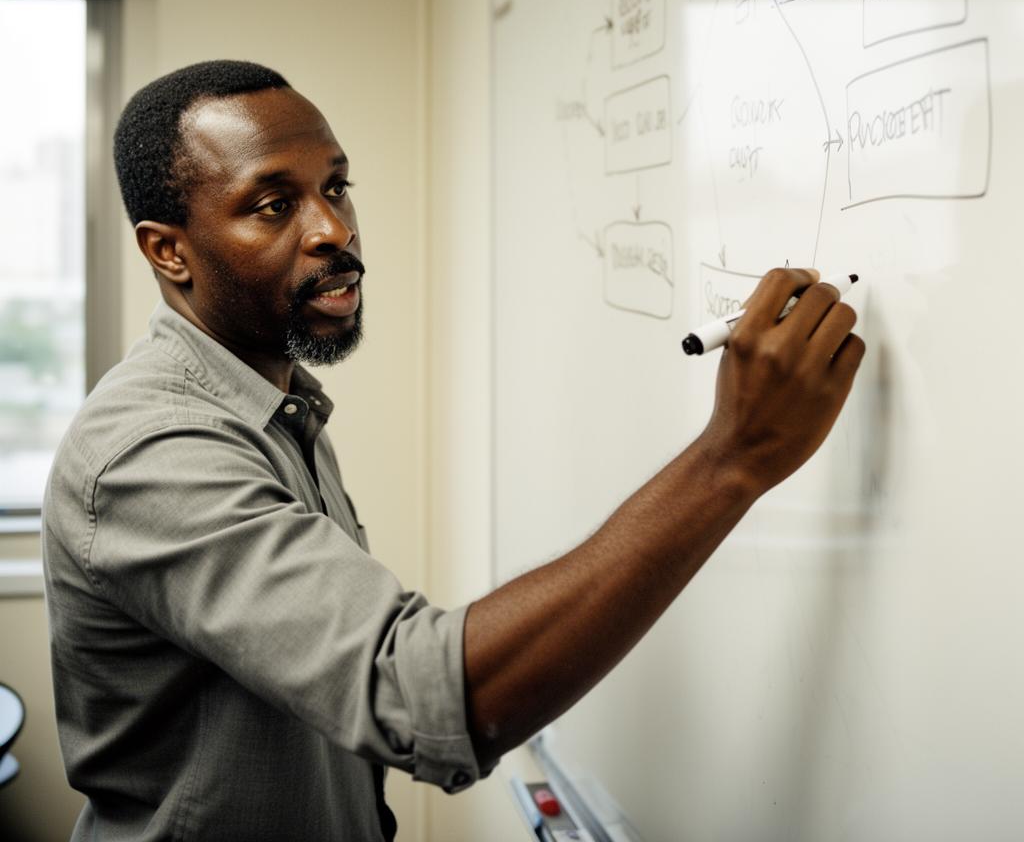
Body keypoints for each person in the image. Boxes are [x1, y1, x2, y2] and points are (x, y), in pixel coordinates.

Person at [43, 60, 865, 841]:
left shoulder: (275, 404)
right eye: (273, 205)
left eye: (336, 187)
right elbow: (415, 694)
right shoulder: (153, 450)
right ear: (169, 250)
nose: (334, 229)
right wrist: (732, 457)